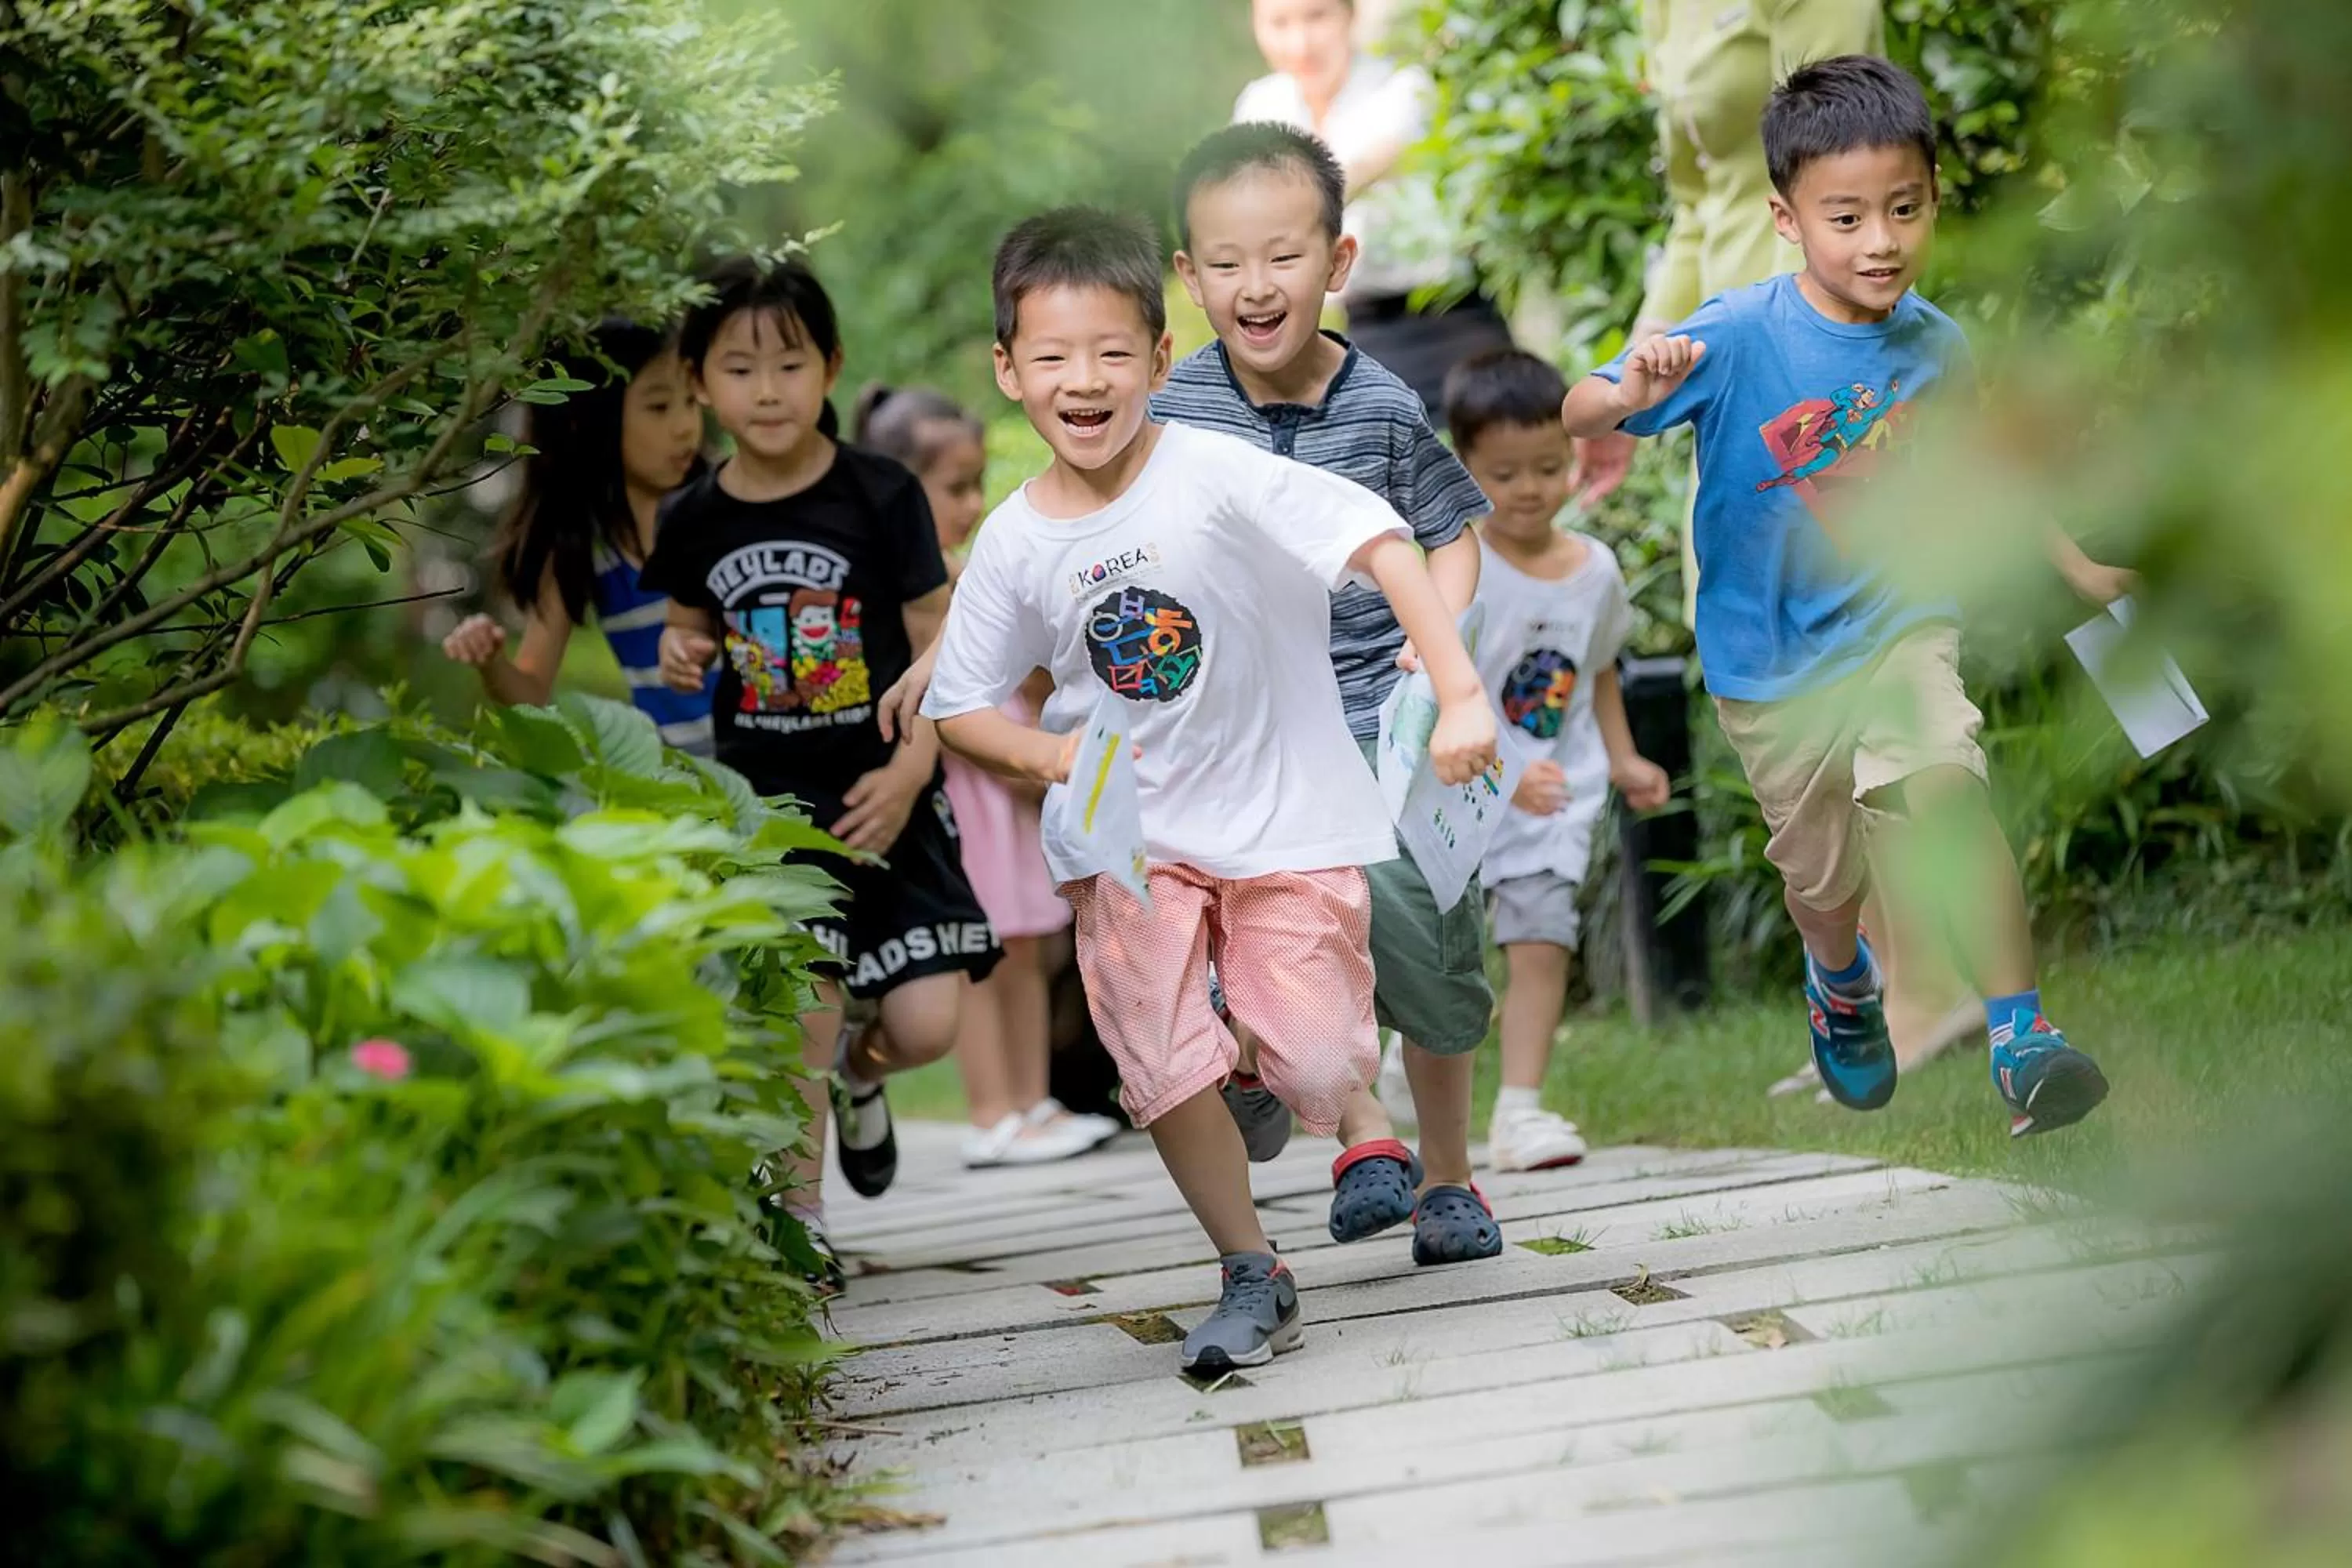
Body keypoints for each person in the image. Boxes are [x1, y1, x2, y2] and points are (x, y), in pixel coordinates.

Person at [918, 206, 1497, 1375]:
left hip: (1281, 823)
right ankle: (1249, 1268)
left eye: (1112, 354)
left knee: (1325, 1062)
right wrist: (1054, 764)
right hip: (1129, 847)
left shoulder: (1219, 472)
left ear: (1158, 357)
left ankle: (1258, 1065)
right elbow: (964, 704)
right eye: (1052, 357)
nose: (1084, 381)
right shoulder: (1017, 544)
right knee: (1157, 1057)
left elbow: (1384, 542)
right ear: (1006, 370)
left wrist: (1461, 688)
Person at [1560, 56, 2122, 1137]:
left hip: (1897, 628)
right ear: (1786, 219)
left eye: (1904, 210)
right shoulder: (1734, 334)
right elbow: (1588, 414)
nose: (1881, 241)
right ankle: (1839, 979)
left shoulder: (1936, 348)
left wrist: (2080, 568)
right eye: (1848, 216)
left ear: (1933, 204)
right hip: (1769, 668)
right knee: (1823, 883)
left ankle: (2023, 1035)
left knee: (1947, 787)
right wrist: (1628, 386)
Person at [1157, 121, 1506, 1266]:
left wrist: (1435, 635)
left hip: (1377, 709)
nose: (1257, 287)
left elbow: (1452, 536)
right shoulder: (1172, 414)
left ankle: (1451, 1178)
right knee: (1279, 924)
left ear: (1339, 262)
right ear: (1189, 276)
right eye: (1227, 262)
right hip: (1244, 734)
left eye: (1285, 255)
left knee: (1419, 933)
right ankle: (1354, 1127)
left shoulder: (1384, 404)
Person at [641, 260, 1000, 1286]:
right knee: (802, 997)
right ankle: (802, 1221)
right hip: (772, 805)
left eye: (789, 364)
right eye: (740, 367)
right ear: (702, 381)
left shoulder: (882, 494)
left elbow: (943, 647)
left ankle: (861, 1072)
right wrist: (683, 652)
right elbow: (688, 624)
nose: (767, 390)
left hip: (890, 785)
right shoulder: (696, 515)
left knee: (926, 1024)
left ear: (830, 368)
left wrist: (907, 773)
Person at [851, 383, 1116, 1167]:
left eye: (975, 485)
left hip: (1017, 781)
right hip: (967, 788)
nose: (972, 503)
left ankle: (1033, 1101)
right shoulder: (900, 591)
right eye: (954, 487)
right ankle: (991, 1108)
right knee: (984, 946)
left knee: (1032, 943)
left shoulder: (981, 567)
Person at [1443, 350, 1671, 1171]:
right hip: (1460, 798)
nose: (1532, 487)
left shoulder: (1595, 570)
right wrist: (1501, 764)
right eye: (1504, 472)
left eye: (1549, 465)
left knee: (1542, 939)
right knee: (1446, 948)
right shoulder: (1458, 566)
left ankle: (1520, 1109)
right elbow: (1435, 682)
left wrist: (1622, 757)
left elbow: (1599, 665)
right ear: (1463, 465)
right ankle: (1412, 1062)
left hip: (1553, 801)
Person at [440, 320, 713, 747]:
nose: (685, 426)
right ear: (594, 420)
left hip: (774, 779)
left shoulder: (729, 509)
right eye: (659, 407)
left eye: (691, 402)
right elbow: (531, 689)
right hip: (679, 792)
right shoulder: (584, 545)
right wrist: (491, 662)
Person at [1236, 0, 1512, 416]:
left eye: (1317, 16)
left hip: (1449, 320)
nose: (1301, 42)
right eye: (1279, 23)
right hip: (1361, 325)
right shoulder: (1261, 106)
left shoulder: (1403, 88)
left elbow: (1351, 174)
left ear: (1350, 15)